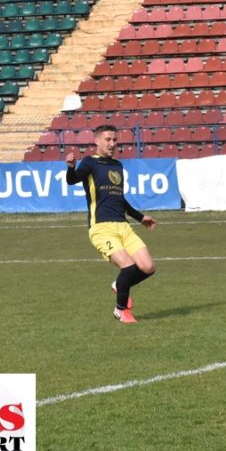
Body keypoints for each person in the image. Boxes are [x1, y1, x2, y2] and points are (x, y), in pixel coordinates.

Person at [65, 124, 156, 324]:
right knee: (130, 267)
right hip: (102, 228)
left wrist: (140, 218)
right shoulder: (89, 163)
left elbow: (119, 199)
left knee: (148, 267)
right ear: (96, 141)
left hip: (123, 226)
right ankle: (121, 310)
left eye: (114, 140)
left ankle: (119, 284)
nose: (112, 144)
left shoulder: (117, 166)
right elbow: (73, 180)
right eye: (108, 140)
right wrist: (71, 168)